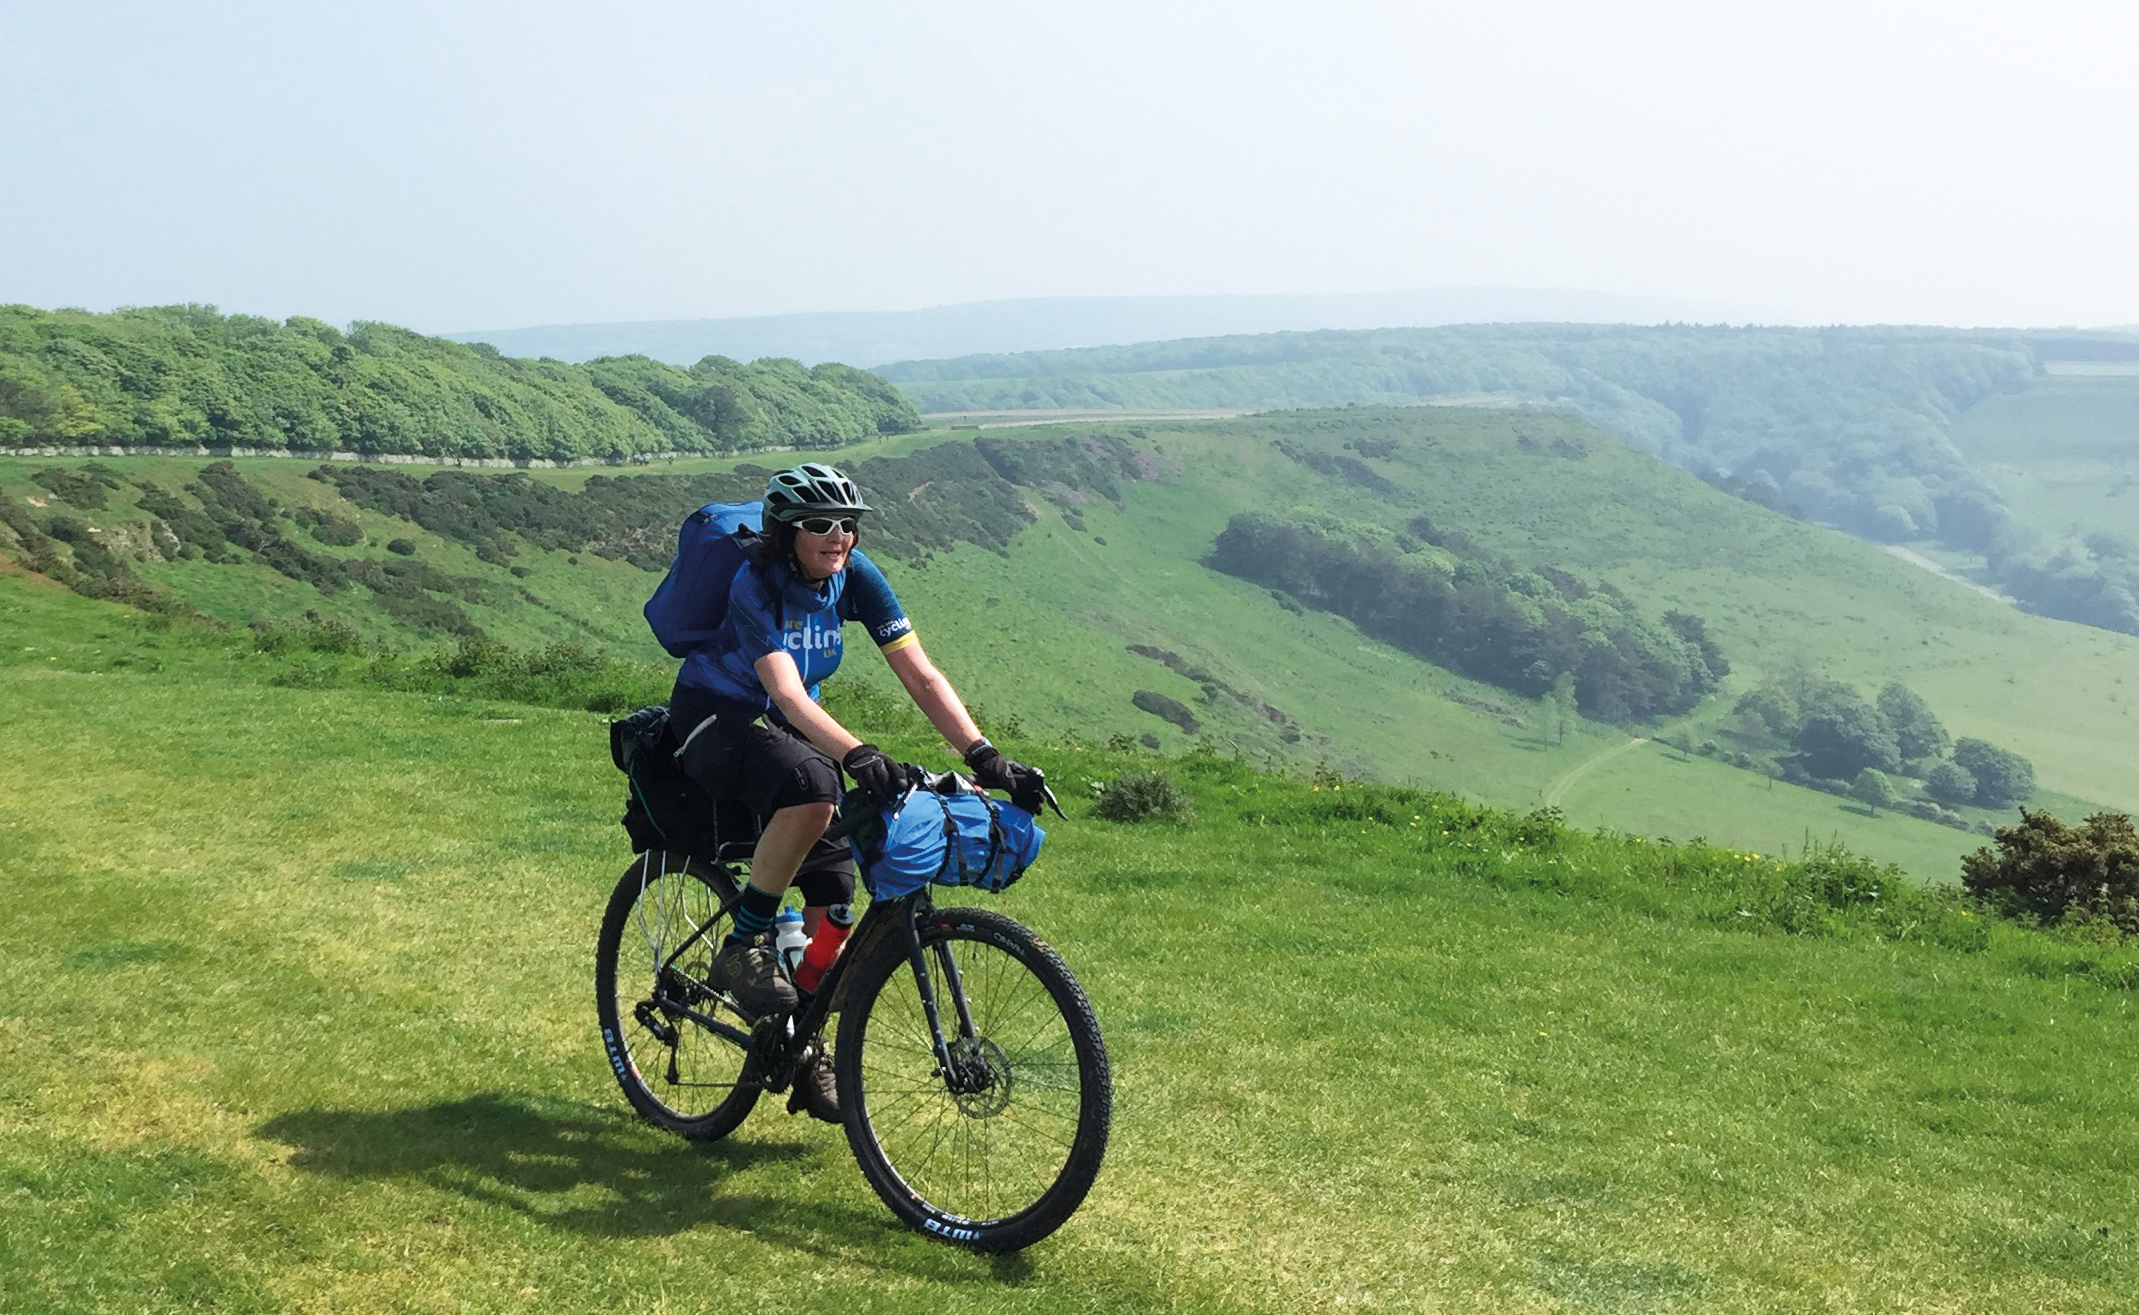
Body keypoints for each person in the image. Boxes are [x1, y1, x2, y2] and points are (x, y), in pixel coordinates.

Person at [667, 461, 1046, 1121]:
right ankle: (741, 947)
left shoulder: (854, 578)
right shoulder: (754, 584)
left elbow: (921, 675)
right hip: (714, 717)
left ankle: (800, 1045)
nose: (838, 535)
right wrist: (857, 751)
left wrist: (983, 753)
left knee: (838, 887)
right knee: (815, 786)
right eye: (820, 524)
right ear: (785, 532)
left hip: (784, 725)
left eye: (849, 523)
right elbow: (783, 692)